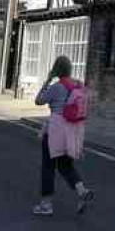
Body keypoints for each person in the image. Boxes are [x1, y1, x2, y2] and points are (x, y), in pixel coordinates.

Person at [32, 56, 94, 216]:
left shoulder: (56, 87)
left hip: (56, 131)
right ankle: (81, 190)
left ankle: (46, 205)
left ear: (56, 70)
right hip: (74, 132)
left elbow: (38, 101)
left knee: (48, 167)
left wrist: (47, 80)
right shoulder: (79, 85)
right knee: (66, 165)